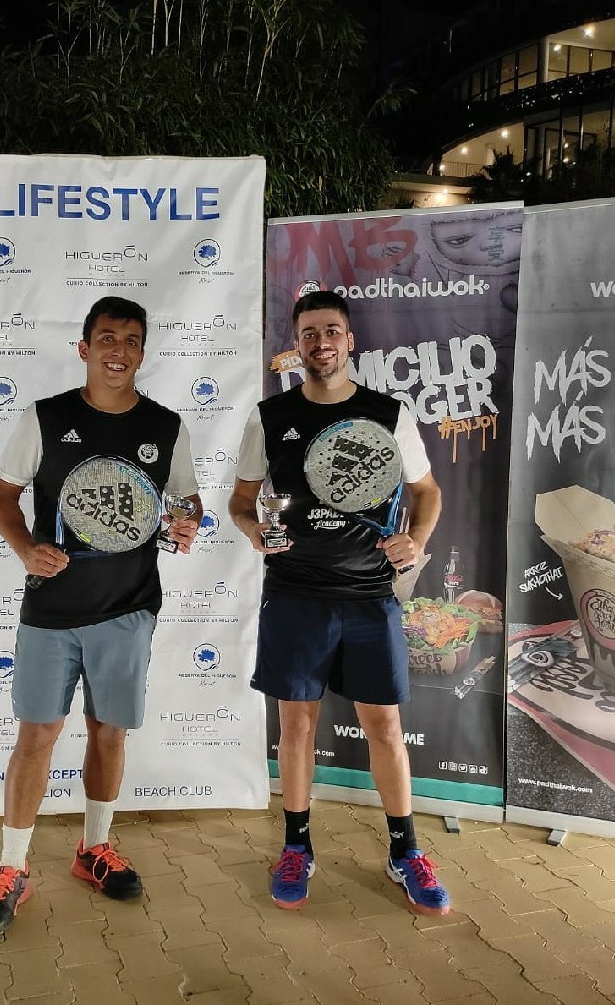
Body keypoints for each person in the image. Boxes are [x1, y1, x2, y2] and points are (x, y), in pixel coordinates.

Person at [0, 296, 201, 935]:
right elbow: (0, 497)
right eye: (106, 338)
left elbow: (187, 499)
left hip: (127, 609)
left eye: (130, 340)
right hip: (52, 610)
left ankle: (93, 849)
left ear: (142, 352)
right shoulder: (46, 418)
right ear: (84, 348)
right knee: (37, 736)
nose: (117, 351)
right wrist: (26, 549)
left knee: (109, 733)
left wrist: (187, 521)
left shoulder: (165, 426)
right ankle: (11, 867)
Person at [228, 290, 448, 914]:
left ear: (349, 341)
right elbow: (242, 500)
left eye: (331, 331)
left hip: (370, 595)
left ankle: (405, 851)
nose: (320, 343)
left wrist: (416, 540)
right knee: (296, 725)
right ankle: (297, 846)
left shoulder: (388, 414)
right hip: (295, 593)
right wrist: (254, 530)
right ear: (296, 345)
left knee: (385, 727)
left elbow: (427, 491)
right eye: (308, 333)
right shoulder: (269, 417)